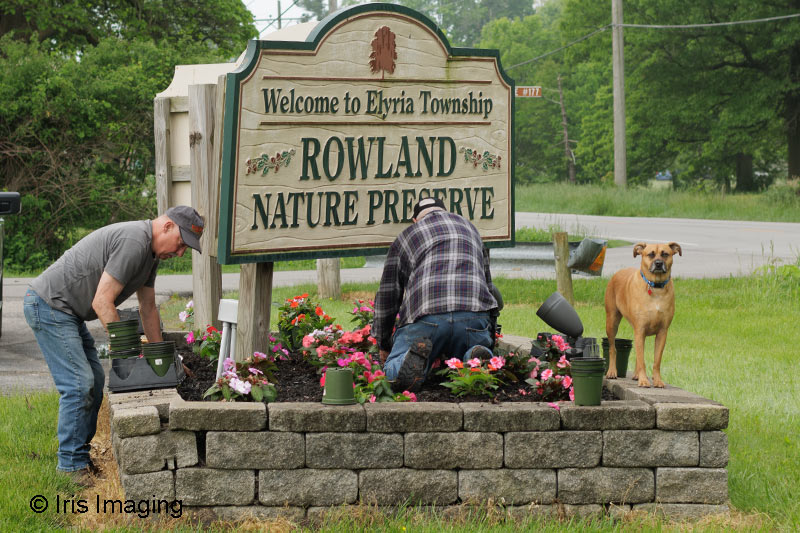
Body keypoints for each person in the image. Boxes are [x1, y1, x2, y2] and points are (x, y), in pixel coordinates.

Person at [23, 206, 204, 482]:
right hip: (50, 306)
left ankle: (79, 458)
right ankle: (70, 467)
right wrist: (130, 353)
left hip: (66, 312)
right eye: (181, 244)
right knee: (78, 384)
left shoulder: (150, 255)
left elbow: (148, 308)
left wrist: (165, 362)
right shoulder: (135, 241)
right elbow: (101, 302)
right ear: (167, 227)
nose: (180, 253)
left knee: (94, 380)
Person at [372, 197, 498, 392]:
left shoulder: (407, 236)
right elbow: (488, 287)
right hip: (473, 317)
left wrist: (383, 342)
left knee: (391, 368)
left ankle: (403, 364)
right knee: (469, 345)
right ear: (445, 211)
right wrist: (489, 335)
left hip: (427, 317)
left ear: (416, 220)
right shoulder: (471, 229)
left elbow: (387, 297)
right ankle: (473, 356)